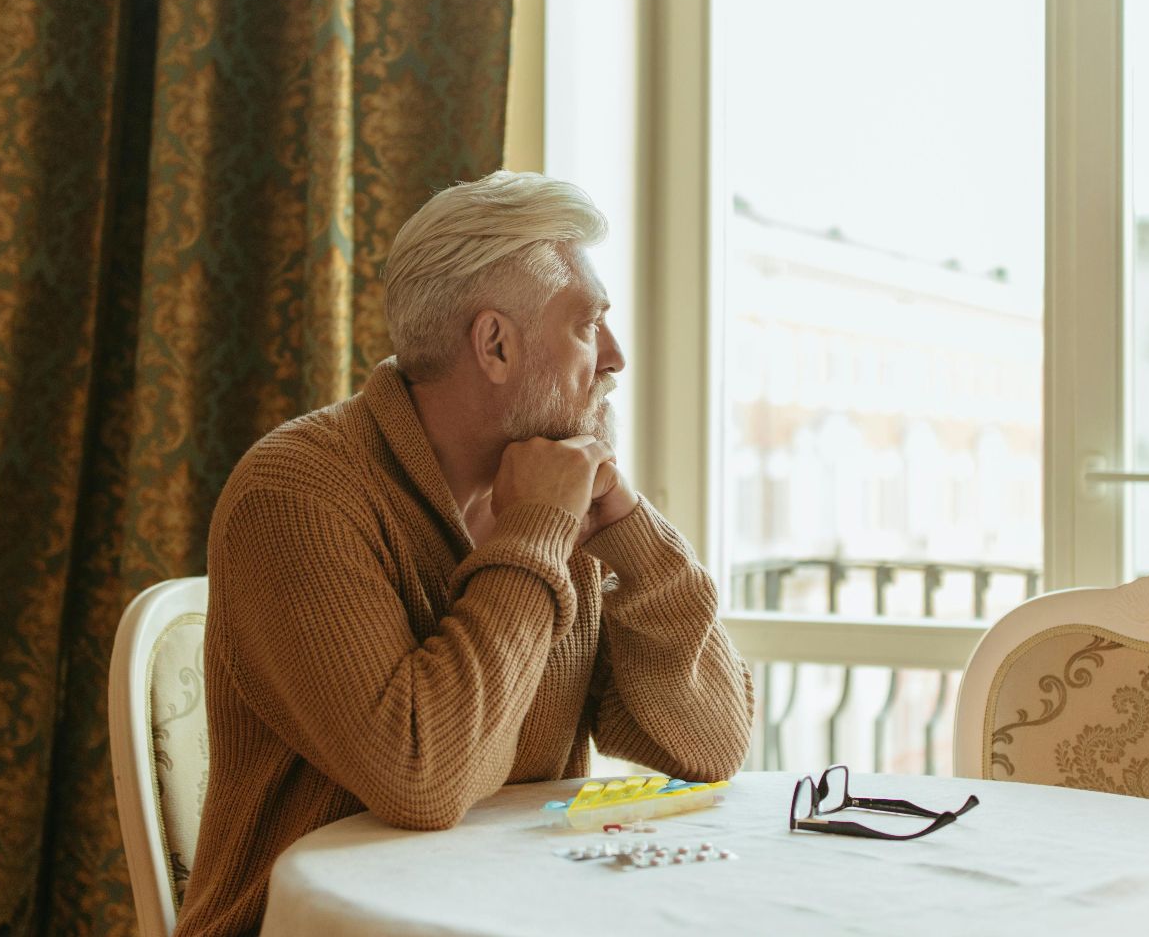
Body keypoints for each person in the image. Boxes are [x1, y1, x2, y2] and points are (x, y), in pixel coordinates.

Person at [171, 172, 755, 936]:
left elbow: (710, 746)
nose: (615, 358)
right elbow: (422, 778)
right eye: (588, 325)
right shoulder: (298, 495)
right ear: (496, 344)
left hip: (504, 915)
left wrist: (632, 534)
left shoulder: (552, 497)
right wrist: (537, 532)